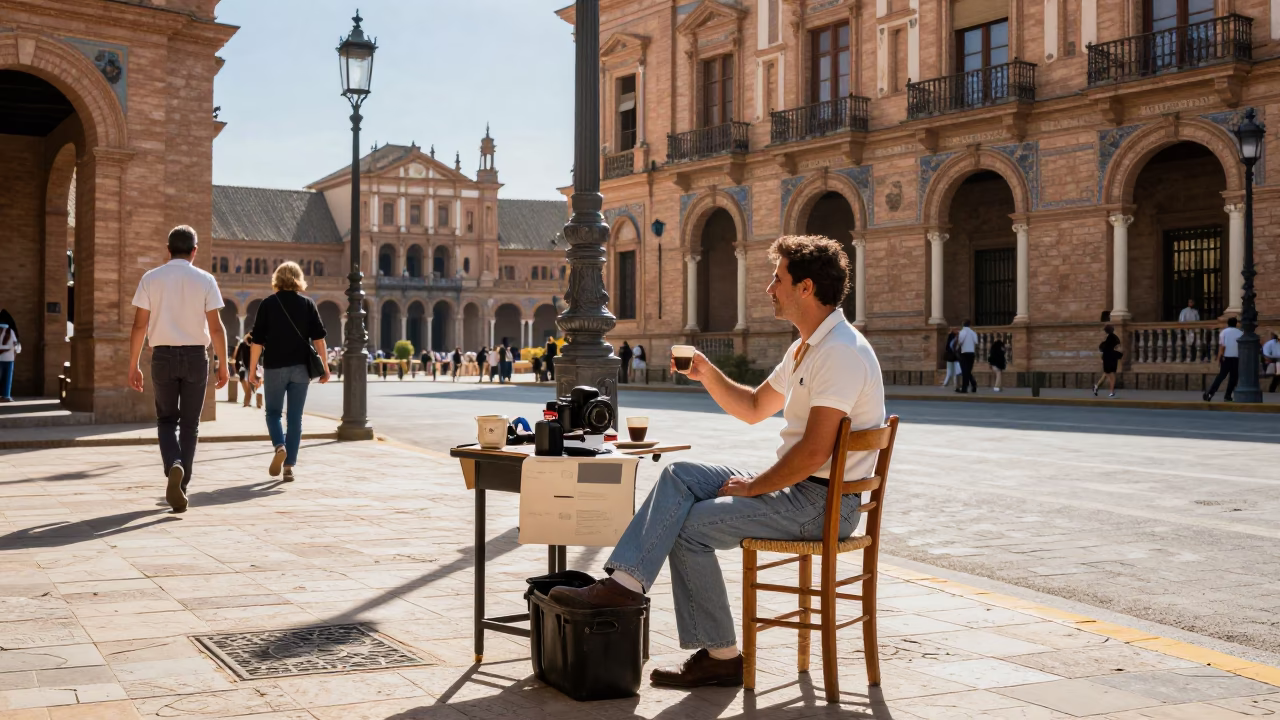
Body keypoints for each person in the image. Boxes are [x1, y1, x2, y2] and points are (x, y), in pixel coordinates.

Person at [550, 235, 884, 689]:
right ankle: (626, 585)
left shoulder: (840, 352)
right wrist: (707, 372)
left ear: (805, 288)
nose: (769, 288)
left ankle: (722, 656)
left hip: (821, 504)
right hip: (800, 491)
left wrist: (755, 486)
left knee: (689, 527)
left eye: (777, 278)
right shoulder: (806, 348)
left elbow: (813, 452)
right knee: (679, 474)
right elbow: (752, 406)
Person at [127, 225, 229, 514]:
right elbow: (216, 327)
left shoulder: (151, 279)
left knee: (166, 419)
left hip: (162, 356)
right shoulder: (206, 280)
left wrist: (133, 364)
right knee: (190, 424)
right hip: (197, 356)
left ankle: (173, 463)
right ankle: (182, 487)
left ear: (167, 249)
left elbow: (139, 325)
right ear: (195, 250)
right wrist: (223, 364)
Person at [247, 261, 329, 481]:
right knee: (295, 418)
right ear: (299, 278)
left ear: (277, 279)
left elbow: (257, 342)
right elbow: (319, 339)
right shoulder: (308, 304)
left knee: (273, 413)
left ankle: (279, 446)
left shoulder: (267, 304)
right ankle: (289, 466)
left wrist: (252, 370)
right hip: (301, 369)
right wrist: (326, 367)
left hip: (275, 367)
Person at [1204, 317, 1243, 402]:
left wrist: (1218, 358)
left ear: (1228, 323)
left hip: (1226, 357)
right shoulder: (1240, 333)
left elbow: (1222, 346)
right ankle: (1228, 395)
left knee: (1221, 376)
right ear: (1236, 324)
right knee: (1233, 377)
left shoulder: (1224, 332)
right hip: (1236, 357)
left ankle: (1210, 393)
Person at [1092, 325, 1122, 398]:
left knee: (1106, 374)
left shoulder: (1108, 339)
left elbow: (1102, 348)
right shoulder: (1114, 338)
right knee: (1112, 376)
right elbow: (1118, 348)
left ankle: (1096, 387)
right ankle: (1111, 392)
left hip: (1106, 358)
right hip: (1111, 358)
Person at [955, 320, 978, 394]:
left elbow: (960, 341)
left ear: (963, 325)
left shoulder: (962, 332)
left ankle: (965, 388)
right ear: (969, 325)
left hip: (964, 352)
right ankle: (973, 384)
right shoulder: (973, 332)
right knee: (968, 370)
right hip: (971, 352)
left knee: (965, 371)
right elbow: (976, 342)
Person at [0, 318, 20, 403]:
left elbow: (13, 345)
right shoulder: (10, 331)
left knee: (7, 378)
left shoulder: (9, 332)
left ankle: (6, 396)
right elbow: (13, 345)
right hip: (7, 358)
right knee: (6, 378)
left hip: (8, 358)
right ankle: (5, 396)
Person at [234, 334, 254, 407]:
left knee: (250, 384)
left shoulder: (255, 344)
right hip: (243, 366)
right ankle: (247, 398)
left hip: (252, 366)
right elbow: (238, 356)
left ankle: (247, 402)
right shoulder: (242, 345)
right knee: (242, 380)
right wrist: (237, 366)